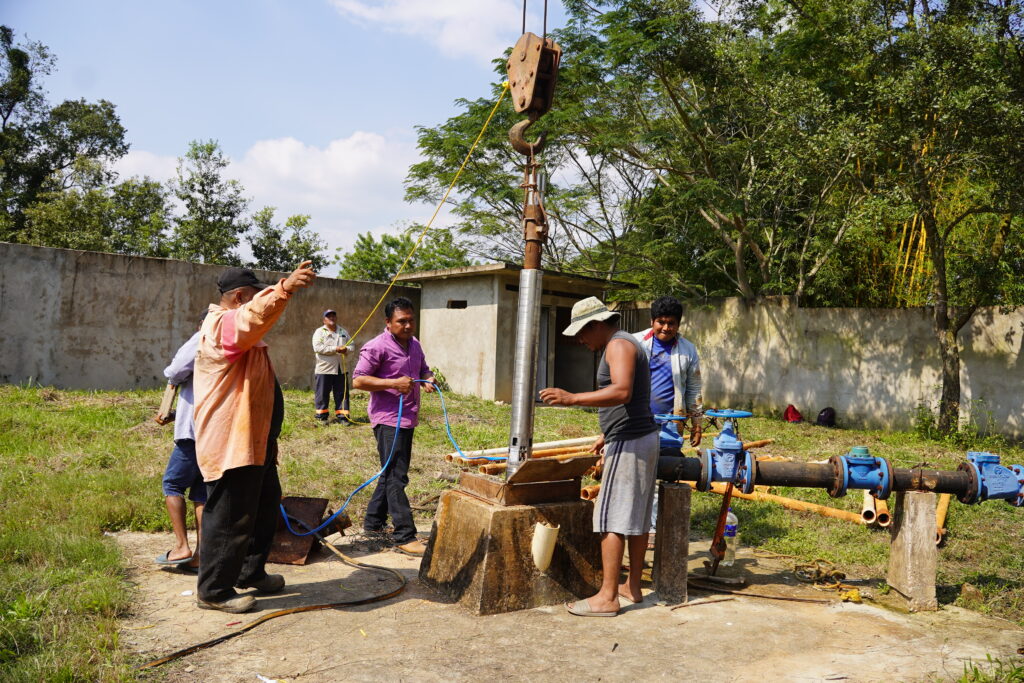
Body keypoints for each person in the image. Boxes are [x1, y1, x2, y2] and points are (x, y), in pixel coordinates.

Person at [193, 262, 316, 613]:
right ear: (238, 297)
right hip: (231, 443)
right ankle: (214, 591)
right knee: (230, 516)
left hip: (255, 442)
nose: (259, 300)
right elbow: (251, 318)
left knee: (263, 506)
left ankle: (250, 571)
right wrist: (283, 289)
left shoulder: (241, 334)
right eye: (254, 295)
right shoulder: (221, 325)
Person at [539, 296, 659, 617]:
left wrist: (572, 398)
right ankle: (632, 586)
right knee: (636, 517)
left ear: (595, 325)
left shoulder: (617, 345)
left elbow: (622, 391)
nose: (581, 340)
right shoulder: (626, 342)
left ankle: (607, 597)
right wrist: (607, 432)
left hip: (630, 442)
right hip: (638, 436)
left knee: (611, 517)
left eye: (581, 333)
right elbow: (634, 398)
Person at [352, 296, 435, 557]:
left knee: (390, 473)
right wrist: (392, 383)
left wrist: (428, 379)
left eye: (411, 320)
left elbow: (423, 369)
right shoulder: (376, 347)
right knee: (397, 477)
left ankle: (373, 523)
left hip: (408, 417)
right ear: (388, 322)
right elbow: (358, 381)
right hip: (388, 420)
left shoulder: (414, 344)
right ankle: (404, 535)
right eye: (401, 321)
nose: (408, 325)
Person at [633, 295, 703, 539]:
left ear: (678, 324)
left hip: (671, 425)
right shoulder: (635, 343)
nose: (665, 327)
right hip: (637, 422)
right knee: (638, 473)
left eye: (671, 323)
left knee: (666, 470)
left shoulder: (687, 350)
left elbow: (694, 388)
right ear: (652, 321)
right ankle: (639, 525)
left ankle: (656, 526)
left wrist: (697, 423)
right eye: (660, 322)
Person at [155, 314, 207, 572]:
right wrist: (175, 413)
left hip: (192, 434)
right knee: (200, 493)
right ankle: (201, 555)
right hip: (211, 433)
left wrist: (173, 378)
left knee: (172, 484)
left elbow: (175, 371)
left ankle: (181, 547)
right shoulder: (229, 348)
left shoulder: (202, 339)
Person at [312, 309, 354, 424]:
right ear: (324, 320)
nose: (331, 318)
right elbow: (318, 348)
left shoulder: (343, 331)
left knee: (342, 393)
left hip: (341, 368)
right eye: (328, 316)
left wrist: (346, 349)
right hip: (324, 368)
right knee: (322, 393)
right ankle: (321, 416)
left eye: (333, 316)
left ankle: (343, 417)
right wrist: (336, 349)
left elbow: (352, 345)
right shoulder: (319, 332)